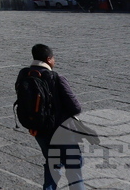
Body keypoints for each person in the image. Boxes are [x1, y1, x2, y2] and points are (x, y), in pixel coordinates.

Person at [17, 44, 85, 190]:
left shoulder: (24, 74)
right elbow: (76, 108)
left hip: (39, 130)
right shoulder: (56, 77)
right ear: (48, 59)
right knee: (74, 168)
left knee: (52, 164)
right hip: (63, 132)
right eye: (53, 58)